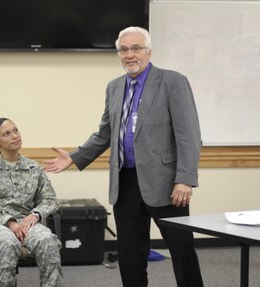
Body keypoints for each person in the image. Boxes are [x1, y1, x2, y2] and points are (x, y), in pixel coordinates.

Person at [43, 26, 203, 287]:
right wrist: (74, 157)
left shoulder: (172, 82)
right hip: (125, 183)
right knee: (130, 255)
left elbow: (189, 135)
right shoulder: (114, 87)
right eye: (124, 50)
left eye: (136, 48)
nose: (130, 54)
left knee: (182, 251)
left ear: (148, 52)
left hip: (167, 183)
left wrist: (185, 179)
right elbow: (105, 133)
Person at [0, 118, 63, 287]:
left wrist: (35, 214)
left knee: (47, 240)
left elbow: (49, 199)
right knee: (7, 241)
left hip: (25, 221)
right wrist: (9, 222)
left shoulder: (33, 168)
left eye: (16, 130)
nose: (14, 136)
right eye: (7, 133)